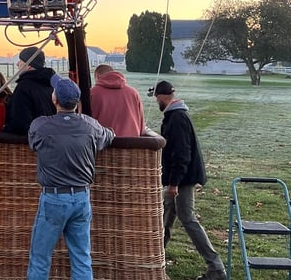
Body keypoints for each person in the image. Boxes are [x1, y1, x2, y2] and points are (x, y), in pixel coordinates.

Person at [26, 74, 114, 280]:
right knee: (81, 257)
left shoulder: (41, 126)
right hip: (82, 197)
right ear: (77, 102)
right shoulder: (91, 126)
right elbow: (109, 135)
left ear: (54, 99)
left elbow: (32, 141)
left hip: (53, 198)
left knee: (40, 258)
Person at [153, 80, 227, 280]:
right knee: (167, 216)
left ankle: (216, 268)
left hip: (182, 179)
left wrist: (175, 183)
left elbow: (182, 153)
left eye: (156, 97)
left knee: (188, 219)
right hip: (176, 178)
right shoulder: (173, 115)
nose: (155, 101)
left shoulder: (176, 118)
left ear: (161, 96)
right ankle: (155, 256)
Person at [3, 47, 56, 134]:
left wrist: (5, 131)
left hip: (30, 142)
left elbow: (19, 122)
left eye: (20, 61)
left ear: (29, 65)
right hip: (49, 138)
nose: (17, 64)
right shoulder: (50, 86)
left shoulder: (23, 87)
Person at [90, 64, 150, 137]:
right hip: (132, 143)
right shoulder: (133, 93)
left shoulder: (93, 93)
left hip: (104, 144)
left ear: (98, 76)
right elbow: (141, 124)